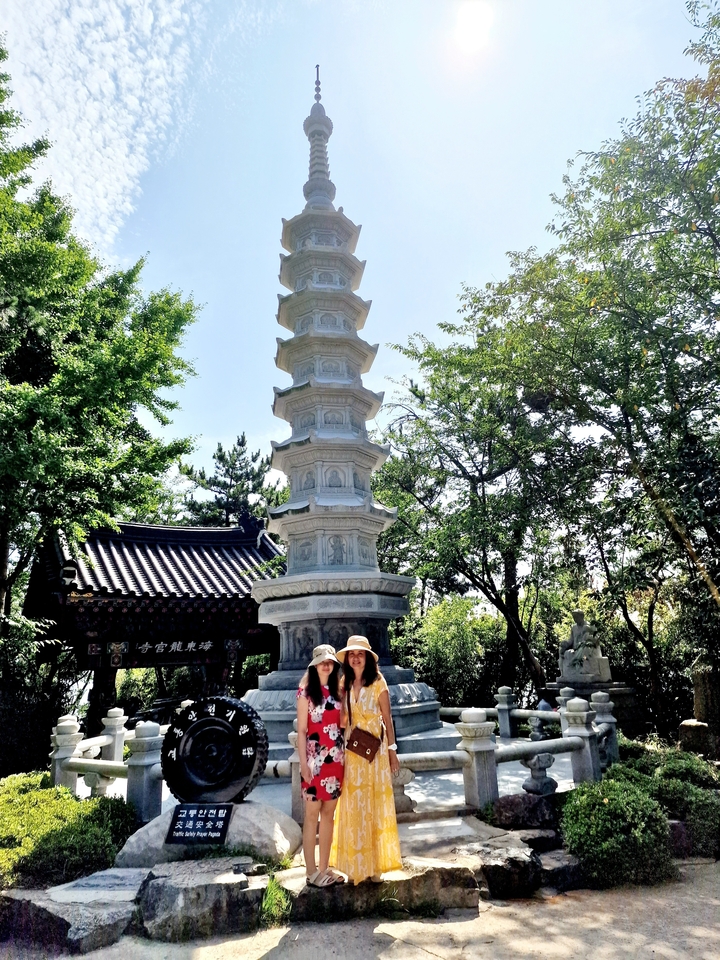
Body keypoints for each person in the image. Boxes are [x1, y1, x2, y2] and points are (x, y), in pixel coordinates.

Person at [329, 635, 402, 884]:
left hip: (376, 751)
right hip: (353, 749)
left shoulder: (378, 682)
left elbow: (387, 717)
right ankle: (354, 867)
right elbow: (341, 721)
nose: (356, 657)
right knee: (352, 805)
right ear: (347, 660)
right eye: (352, 654)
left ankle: (375, 866)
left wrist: (392, 750)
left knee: (373, 803)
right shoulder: (344, 683)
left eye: (360, 654)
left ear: (368, 658)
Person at [296, 643, 346, 887]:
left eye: (330, 661)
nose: (326, 665)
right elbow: (302, 732)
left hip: (336, 761)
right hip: (313, 763)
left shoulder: (340, 692)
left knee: (329, 815)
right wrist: (303, 765)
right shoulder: (305, 693)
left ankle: (324, 868)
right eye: (322, 661)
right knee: (311, 815)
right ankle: (311, 871)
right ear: (314, 666)